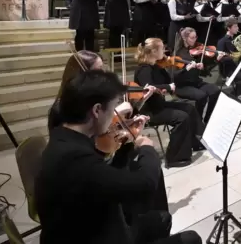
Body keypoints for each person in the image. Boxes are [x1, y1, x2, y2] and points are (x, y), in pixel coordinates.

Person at [35, 69, 201, 244]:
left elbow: (107, 176)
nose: (116, 115)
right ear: (97, 110)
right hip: (94, 235)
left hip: (96, 221)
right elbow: (144, 186)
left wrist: (128, 142)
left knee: (161, 219)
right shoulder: (73, 158)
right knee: (192, 239)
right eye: (113, 108)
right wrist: (146, 148)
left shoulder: (65, 136)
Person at [134, 38, 204, 168]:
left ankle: (196, 142)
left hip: (159, 106)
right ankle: (175, 158)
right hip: (150, 111)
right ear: (154, 51)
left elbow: (171, 82)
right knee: (182, 118)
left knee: (189, 108)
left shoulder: (156, 66)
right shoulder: (144, 69)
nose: (164, 50)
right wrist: (167, 86)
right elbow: (149, 88)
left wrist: (185, 69)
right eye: (162, 48)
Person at [173, 27, 220, 122]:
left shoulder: (197, 52)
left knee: (215, 91)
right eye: (192, 37)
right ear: (185, 38)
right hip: (182, 85)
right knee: (202, 96)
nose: (195, 40)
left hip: (196, 82)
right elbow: (174, 76)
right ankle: (197, 121)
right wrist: (187, 69)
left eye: (196, 37)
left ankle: (208, 119)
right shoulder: (178, 54)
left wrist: (215, 60)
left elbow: (204, 73)